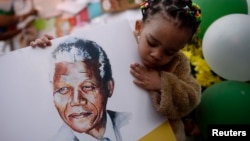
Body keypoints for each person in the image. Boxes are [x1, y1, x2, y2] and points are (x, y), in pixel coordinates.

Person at [30, 0, 202, 140]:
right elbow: (77, 56)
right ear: (139, 27)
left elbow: (191, 98)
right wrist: (49, 47)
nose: (157, 54)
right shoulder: (118, 43)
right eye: (152, 42)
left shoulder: (177, 64)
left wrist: (162, 84)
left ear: (109, 87)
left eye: (169, 52)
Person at [49, 37, 131, 141]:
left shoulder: (135, 121)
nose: (76, 101)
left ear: (109, 88)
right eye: (63, 89)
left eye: (87, 87)